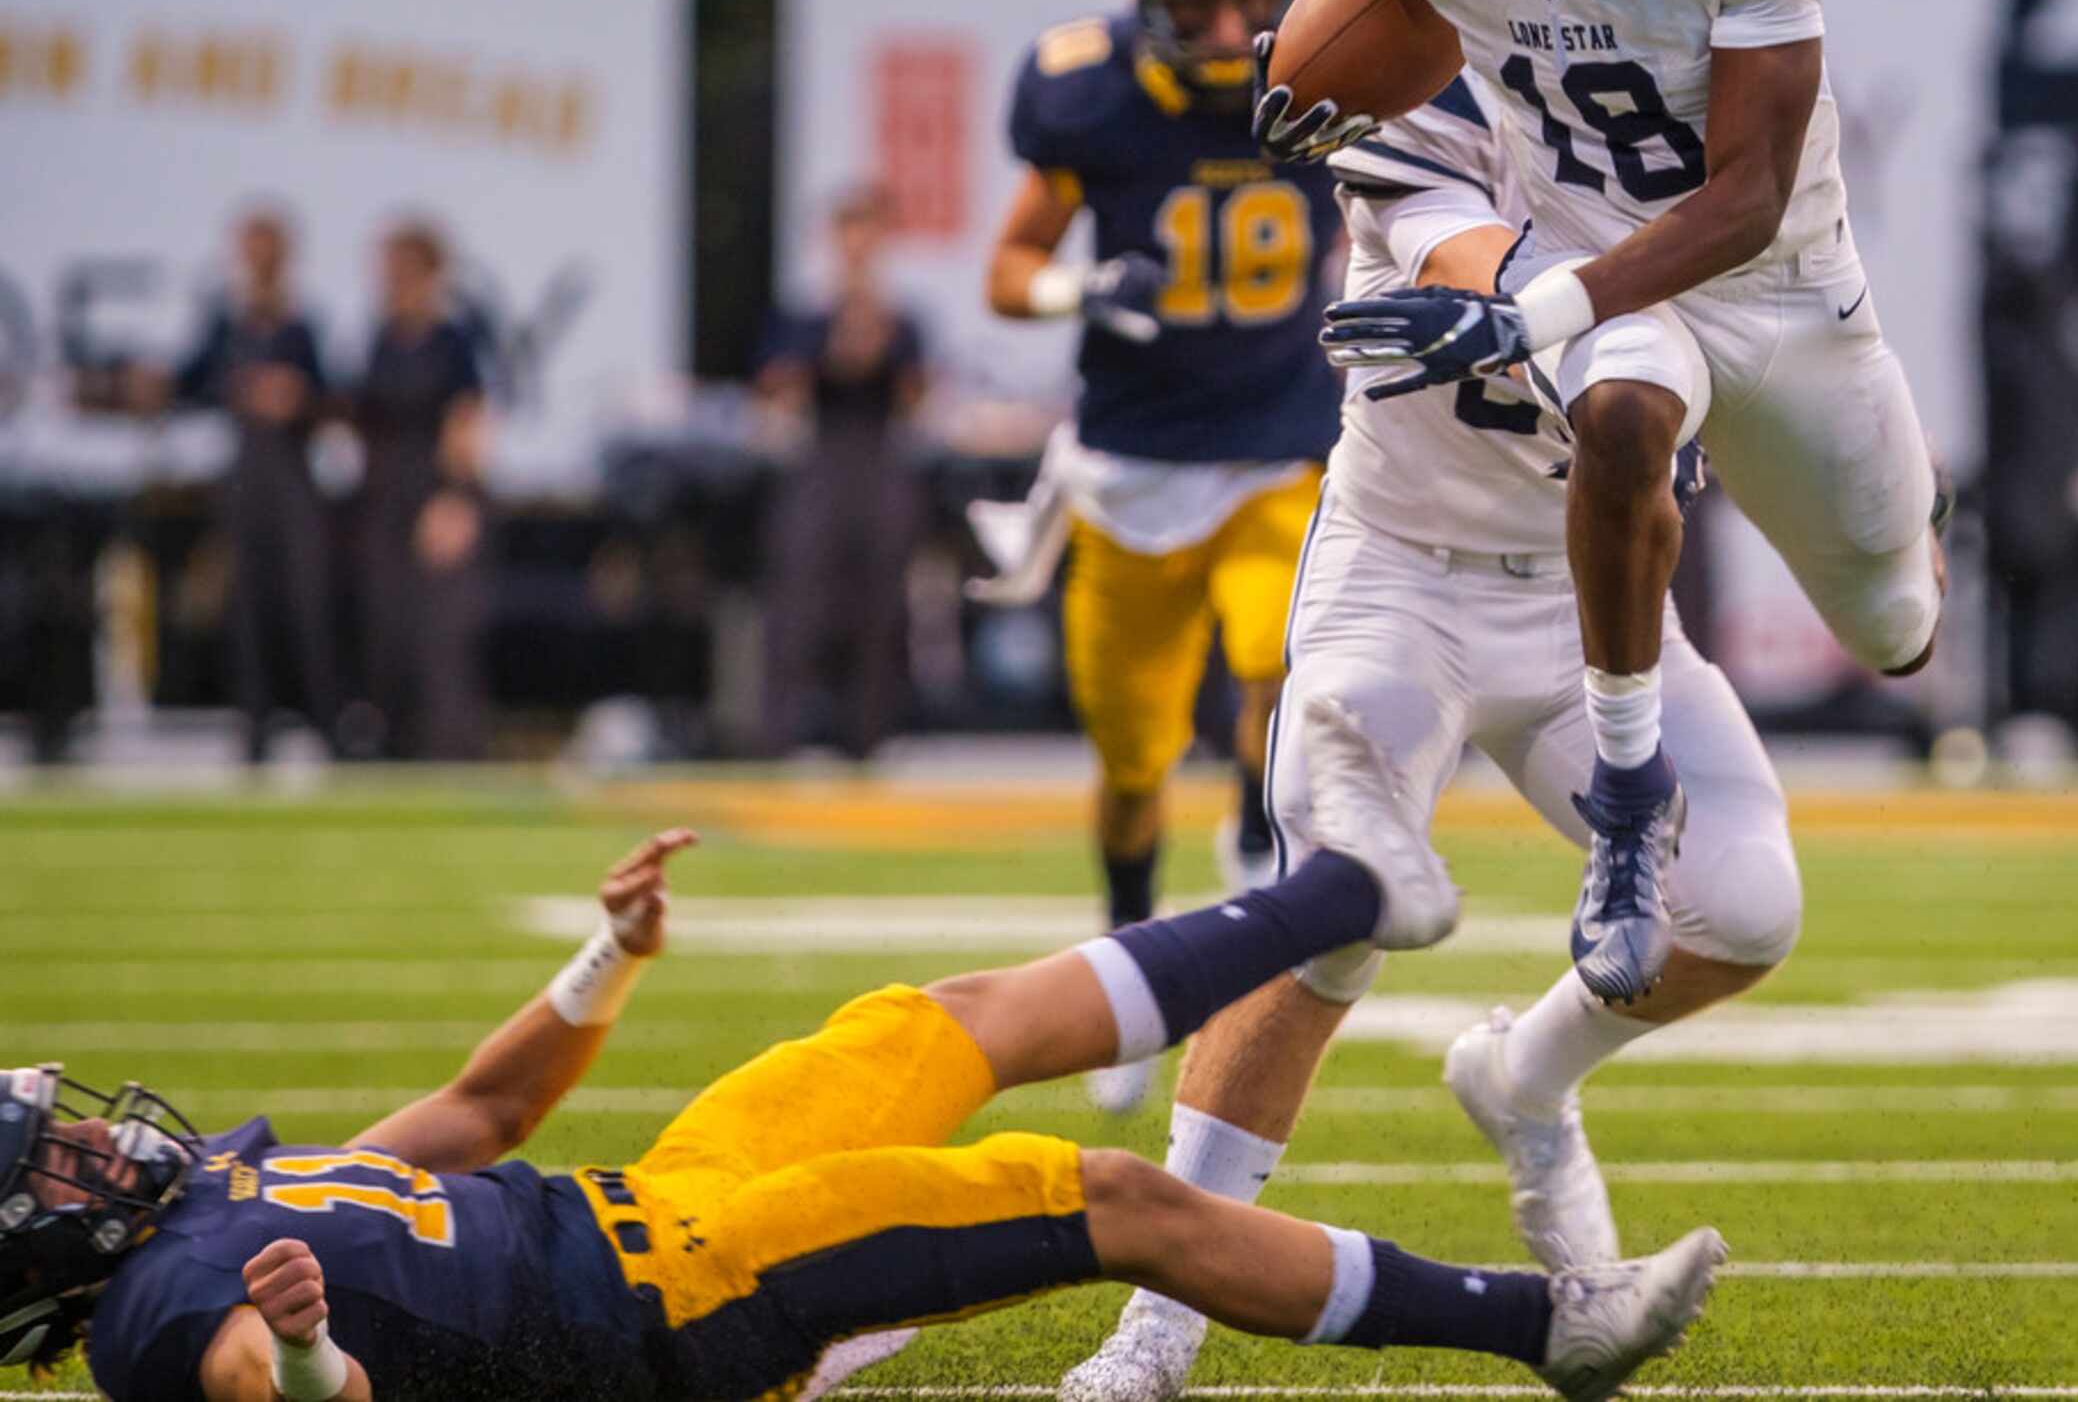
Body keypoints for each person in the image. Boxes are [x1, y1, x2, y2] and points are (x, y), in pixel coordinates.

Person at [2, 775, 1729, 1402]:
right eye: (52, 1149)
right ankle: (1544, 1327)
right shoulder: (166, 1312)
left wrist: (603, 959)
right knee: (1094, 1196)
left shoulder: (206, 1198)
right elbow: (292, 1388)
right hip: (665, 1307)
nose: (93, 1130)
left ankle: (1344, 889)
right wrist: (304, 1350)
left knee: (933, 1020)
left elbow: (475, 1120)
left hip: (648, 1204)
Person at [1268, 0, 1948, 1006]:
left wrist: (1539, 309)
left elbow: (1748, 198)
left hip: (1769, 283)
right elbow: (1399, 12)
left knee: (1896, 627)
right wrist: (1315, 85)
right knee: (1627, 412)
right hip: (1600, 270)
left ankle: (1900, 523)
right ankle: (1629, 806)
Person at [1062, 84, 1800, 1400]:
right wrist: (1556, 309)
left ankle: (1525, 1076)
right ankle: (1157, 1320)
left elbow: (1761, 374)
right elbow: (1473, 255)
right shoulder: (1436, 100)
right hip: (1402, 570)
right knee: (1328, 909)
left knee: (1743, 904)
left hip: (1590, 594)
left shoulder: (1708, 152)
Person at [984, 0, 1345, 1110]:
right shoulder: (1089, 98)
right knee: (1130, 758)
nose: (1234, 33)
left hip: (1278, 440)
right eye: (1200, 7)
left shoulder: (1329, 73)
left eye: (1253, 3)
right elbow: (1007, 266)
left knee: (1281, 651)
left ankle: (1254, 829)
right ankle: (1135, 939)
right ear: (1147, 0)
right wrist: (1082, 288)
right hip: (1133, 466)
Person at [129, 208, 340, 764]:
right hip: (246, 478)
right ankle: (255, 729)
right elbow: (194, 380)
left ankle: (326, 725)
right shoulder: (226, 319)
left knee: (305, 603)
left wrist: (294, 398)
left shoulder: (302, 323)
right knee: (247, 607)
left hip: (293, 479)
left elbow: (329, 398)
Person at [756, 185, 930, 761]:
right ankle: (780, 739)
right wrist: (834, 343)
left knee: (880, 605)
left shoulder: (902, 318)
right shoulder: (804, 314)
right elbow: (778, 394)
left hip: (879, 456)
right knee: (800, 602)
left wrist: (875, 337)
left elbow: (916, 400)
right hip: (821, 457)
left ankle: (871, 739)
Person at [349, 221, 491, 761]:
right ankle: (393, 751)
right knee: (389, 630)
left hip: (436, 496)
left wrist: (455, 498)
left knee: (441, 640)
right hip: (384, 498)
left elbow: (467, 420)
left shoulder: (451, 341)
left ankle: (450, 756)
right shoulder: (380, 338)